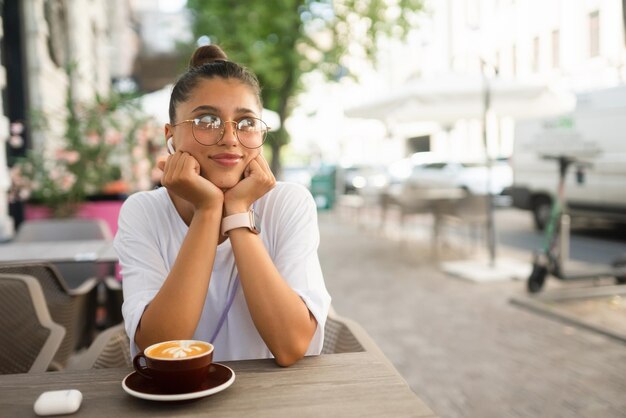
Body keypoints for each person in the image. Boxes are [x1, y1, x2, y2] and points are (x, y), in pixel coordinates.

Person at [114, 45, 331, 367]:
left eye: (246, 122)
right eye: (207, 119)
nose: (230, 137)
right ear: (170, 135)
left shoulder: (288, 202)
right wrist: (208, 209)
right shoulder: (143, 211)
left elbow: (291, 345)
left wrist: (238, 210)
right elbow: (160, 347)